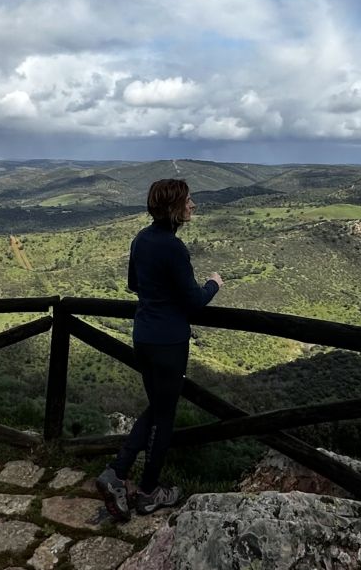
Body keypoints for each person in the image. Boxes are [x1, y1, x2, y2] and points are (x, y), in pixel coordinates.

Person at [96, 179, 222, 520]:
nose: (193, 205)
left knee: (157, 407)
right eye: (188, 201)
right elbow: (195, 302)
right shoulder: (173, 247)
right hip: (169, 342)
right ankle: (149, 492)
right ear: (173, 208)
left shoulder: (141, 239)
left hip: (144, 336)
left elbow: (134, 285)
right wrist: (214, 284)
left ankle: (117, 474)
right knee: (164, 417)